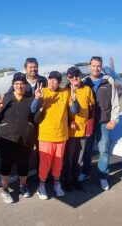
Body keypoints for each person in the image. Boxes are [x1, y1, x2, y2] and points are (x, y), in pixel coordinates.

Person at [31, 71, 79, 200]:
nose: (53, 82)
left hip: (61, 135)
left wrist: (74, 99)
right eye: (51, 80)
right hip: (46, 134)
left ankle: (57, 184)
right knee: (44, 163)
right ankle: (41, 186)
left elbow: (75, 110)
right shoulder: (43, 91)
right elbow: (33, 110)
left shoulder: (66, 92)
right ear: (48, 80)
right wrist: (37, 98)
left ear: (59, 82)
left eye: (56, 80)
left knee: (58, 163)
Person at [79, 56, 120, 191]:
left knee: (103, 151)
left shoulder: (108, 82)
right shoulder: (84, 82)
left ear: (101, 67)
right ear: (89, 66)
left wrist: (114, 120)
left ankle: (103, 177)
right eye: (94, 65)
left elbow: (115, 102)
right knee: (87, 150)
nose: (96, 68)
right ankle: (85, 172)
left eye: (98, 66)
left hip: (103, 122)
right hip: (88, 122)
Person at [0, 72, 36, 203]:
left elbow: (35, 119)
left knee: (23, 164)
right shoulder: (6, 98)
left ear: (26, 85)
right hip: (7, 138)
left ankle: (23, 186)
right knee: (6, 164)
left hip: (25, 139)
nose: (19, 86)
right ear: (12, 85)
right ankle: (5, 190)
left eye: (22, 83)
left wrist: (39, 102)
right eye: (16, 83)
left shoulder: (31, 99)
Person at [62, 66, 95, 192]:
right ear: (68, 78)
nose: (75, 78)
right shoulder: (65, 91)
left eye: (77, 75)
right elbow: (63, 111)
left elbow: (92, 110)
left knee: (78, 158)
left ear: (81, 75)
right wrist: (70, 121)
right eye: (72, 76)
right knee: (68, 158)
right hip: (70, 132)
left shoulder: (87, 89)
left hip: (83, 130)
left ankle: (75, 179)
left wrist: (90, 127)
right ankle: (66, 181)